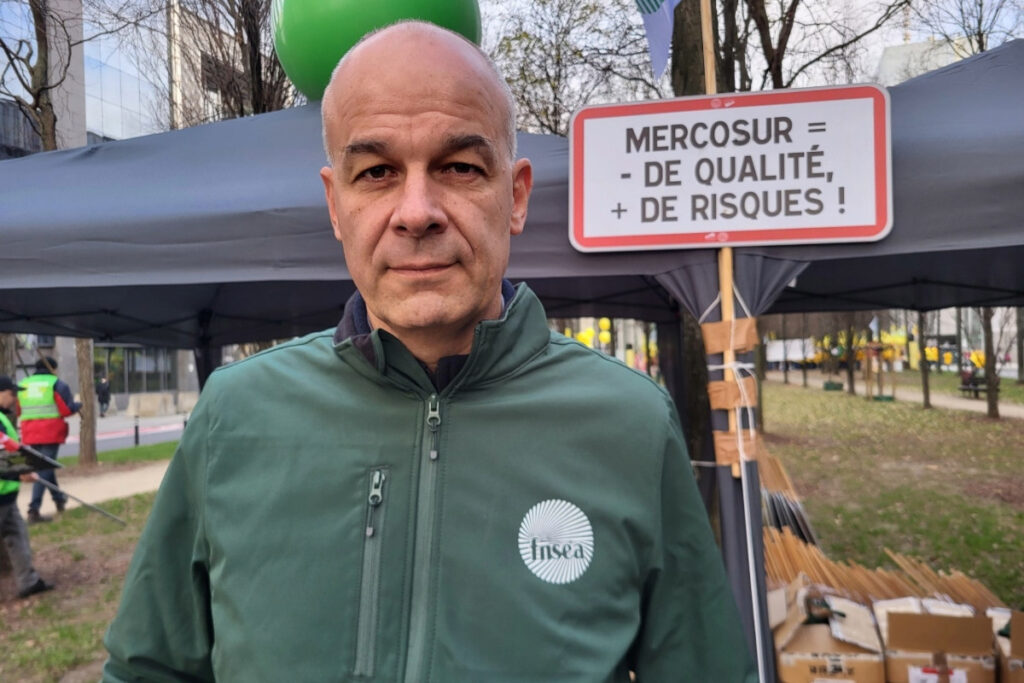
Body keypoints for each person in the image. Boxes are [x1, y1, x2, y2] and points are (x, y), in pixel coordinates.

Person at [103, 21, 755, 682]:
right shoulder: (233, 416)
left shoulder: (630, 423)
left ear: (516, 196)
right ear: (335, 205)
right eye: (377, 172)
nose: (416, 212)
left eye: (460, 167)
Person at [0, 376, 55, 599]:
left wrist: (21, 471)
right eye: (12, 394)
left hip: (6, 493)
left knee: (17, 535)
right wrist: (19, 472)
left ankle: (28, 582)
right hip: (2, 491)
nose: (15, 399)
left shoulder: (2, 418)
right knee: (16, 535)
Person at [19, 357, 77, 523]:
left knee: (45, 466)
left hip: (30, 432)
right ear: (53, 368)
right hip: (50, 433)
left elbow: (18, 409)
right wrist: (77, 406)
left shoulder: (23, 384)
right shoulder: (57, 384)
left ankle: (59, 498)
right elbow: (66, 410)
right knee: (43, 469)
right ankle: (34, 509)